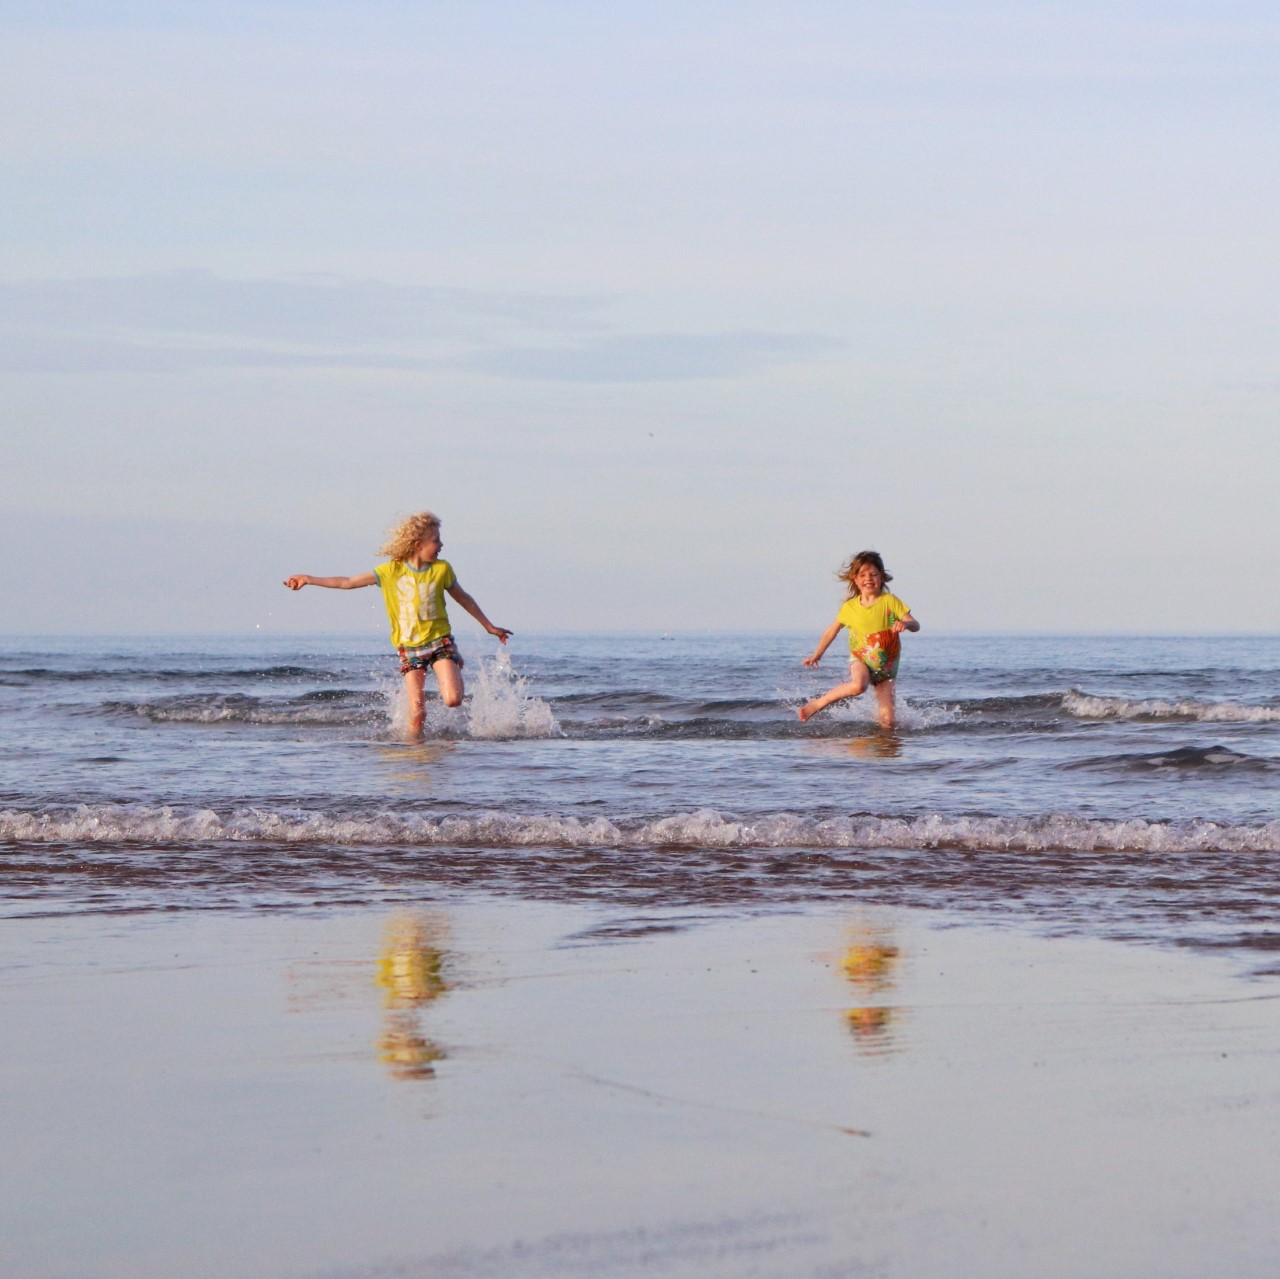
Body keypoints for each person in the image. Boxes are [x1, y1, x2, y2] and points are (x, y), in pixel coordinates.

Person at [284, 511, 511, 738]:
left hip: (439, 642)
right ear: (417, 544)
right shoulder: (391, 571)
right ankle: (414, 759)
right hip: (409, 649)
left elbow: (464, 598)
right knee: (417, 712)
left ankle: (454, 660)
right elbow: (348, 582)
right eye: (436, 540)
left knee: (452, 700)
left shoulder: (442, 569)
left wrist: (489, 626)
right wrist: (309, 579)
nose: (441, 544)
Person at [798, 550, 919, 730]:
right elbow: (832, 630)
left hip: (888, 664)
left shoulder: (890, 601)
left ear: (882, 577)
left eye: (873, 574)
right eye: (863, 575)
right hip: (861, 657)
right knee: (858, 686)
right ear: (855, 579)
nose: (868, 579)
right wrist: (817, 655)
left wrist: (905, 624)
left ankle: (879, 751)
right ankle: (818, 704)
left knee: (888, 722)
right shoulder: (850, 607)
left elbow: (915, 624)